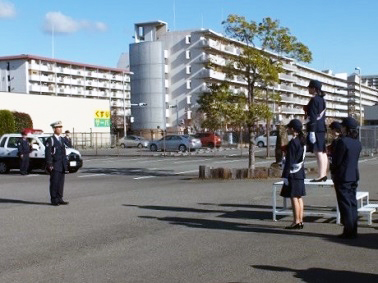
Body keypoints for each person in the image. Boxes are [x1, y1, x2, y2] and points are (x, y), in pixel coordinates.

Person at [330, 117, 362, 239]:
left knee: (345, 204)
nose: (341, 128)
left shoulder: (342, 142)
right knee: (352, 202)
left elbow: (337, 161)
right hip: (353, 175)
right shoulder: (357, 143)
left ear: (346, 128)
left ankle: (348, 230)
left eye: (343, 127)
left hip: (342, 176)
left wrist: (332, 168)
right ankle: (353, 229)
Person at [281, 119, 306, 229]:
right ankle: (300, 220)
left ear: (293, 129)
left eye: (289, 127)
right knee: (299, 197)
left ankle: (296, 221)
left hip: (293, 173)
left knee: (294, 197)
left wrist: (285, 175)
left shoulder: (294, 142)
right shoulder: (302, 141)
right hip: (300, 172)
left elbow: (289, 160)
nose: (288, 129)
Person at [306, 79, 328, 182]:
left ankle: (321, 175)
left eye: (309, 87)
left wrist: (311, 131)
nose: (308, 89)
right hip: (321, 128)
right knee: (323, 152)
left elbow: (313, 116)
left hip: (316, 128)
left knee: (318, 152)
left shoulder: (314, 100)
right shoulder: (322, 99)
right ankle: (323, 173)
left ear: (314, 88)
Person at [45, 121, 69, 206]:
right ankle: (54, 199)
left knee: (60, 182)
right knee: (54, 182)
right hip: (55, 164)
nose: (60, 129)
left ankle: (60, 198)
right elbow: (48, 153)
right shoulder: (50, 139)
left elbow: (64, 152)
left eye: (61, 127)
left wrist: (65, 164)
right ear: (54, 129)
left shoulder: (62, 139)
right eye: (58, 127)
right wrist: (49, 164)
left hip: (61, 164)